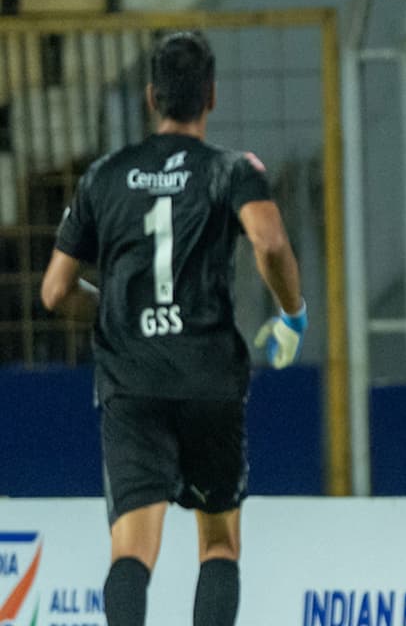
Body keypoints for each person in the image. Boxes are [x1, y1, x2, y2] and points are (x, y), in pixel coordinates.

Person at [40, 31, 306, 626]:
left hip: (131, 383)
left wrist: (110, 305)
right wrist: (293, 311)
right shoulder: (232, 170)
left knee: (133, 549)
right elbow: (268, 242)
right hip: (209, 378)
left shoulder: (105, 175)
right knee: (218, 544)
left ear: (150, 96)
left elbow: (54, 290)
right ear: (211, 97)